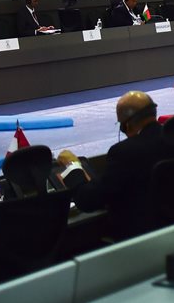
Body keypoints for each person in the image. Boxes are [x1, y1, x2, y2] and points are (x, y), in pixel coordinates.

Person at [61, 92, 168, 240]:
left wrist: (72, 166)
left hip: (136, 238)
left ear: (127, 125)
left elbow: (88, 201)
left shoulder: (125, 152)